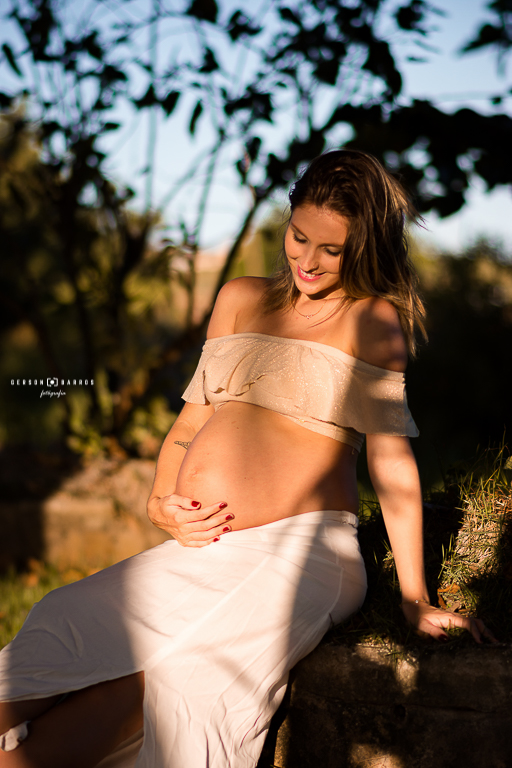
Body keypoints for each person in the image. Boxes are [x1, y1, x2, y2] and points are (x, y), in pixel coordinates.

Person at [0, 149, 495, 768]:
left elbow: (390, 461)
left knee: (184, 685)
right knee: (60, 621)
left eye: (331, 250)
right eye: (298, 236)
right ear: (287, 219)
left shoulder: (371, 320)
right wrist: (159, 497)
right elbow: (194, 419)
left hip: (302, 551)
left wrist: (415, 598)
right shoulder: (240, 297)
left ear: (362, 248)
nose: (308, 261)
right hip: (203, 549)